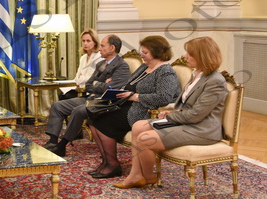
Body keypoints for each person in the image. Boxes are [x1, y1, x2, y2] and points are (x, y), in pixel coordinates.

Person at [113, 37, 228, 189]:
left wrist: (171, 116)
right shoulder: (196, 74)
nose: (185, 56)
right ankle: (135, 174)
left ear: (201, 56)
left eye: (189, 54)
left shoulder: (215, 81)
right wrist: (172, 110)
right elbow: (188, 105)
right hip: (187, 122)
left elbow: (196, 115)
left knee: (144, 139)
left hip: (201, 129)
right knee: (138, 126)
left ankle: (149, 177)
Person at [87, 36, 180, 179]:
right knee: (93, 118)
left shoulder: (166, 71)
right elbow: (130, 84)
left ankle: (113, 165)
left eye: (145, 52)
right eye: (142, 51)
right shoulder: (144, 67)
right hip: (127, 104)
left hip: (144, 111)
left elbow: (164, 97)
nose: (141, 55)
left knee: (103, 121)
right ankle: (106, 162)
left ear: (157, 52)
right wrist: (120, 91)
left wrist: (136, 97)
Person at [45, 35, 131, 157]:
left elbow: (112, 89)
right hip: (91, 98)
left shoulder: (122, 66)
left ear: (112, 48)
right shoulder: (101, 63)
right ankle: (53, 142)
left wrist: (97, 84)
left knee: (79, 110)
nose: (99, 49)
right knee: (57, 106)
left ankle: (62, 145)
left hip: (104, 103)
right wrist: (100, 84)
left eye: (102, 46)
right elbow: (88, 85)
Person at [59, 28, 102, 100]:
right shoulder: (83, 58)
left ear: (95, 42)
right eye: (83, 41)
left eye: (88, 41)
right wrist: (81, 78)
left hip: (90, 89)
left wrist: (82, 78)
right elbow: (77, 77)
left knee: (68, 96)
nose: (85, 43)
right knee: (62, 94)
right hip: (79, 86)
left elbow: (92, 79)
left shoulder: (99, 57)